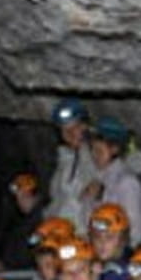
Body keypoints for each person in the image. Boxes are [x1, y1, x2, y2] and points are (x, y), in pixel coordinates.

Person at [83, 116, 141, 246]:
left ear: (115, 149)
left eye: (99, 151)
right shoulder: (98, 178)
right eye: (93, 150)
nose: (94, 156)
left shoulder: (127, 182)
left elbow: (136, 233)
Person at [44, 99, 98, 234]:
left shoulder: (98, 155)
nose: (70, 134)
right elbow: (58, 201)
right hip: (59, 233)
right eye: (64, 130)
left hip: (83, 236)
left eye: (75, 127)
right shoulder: (65, 159)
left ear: (85, 126)